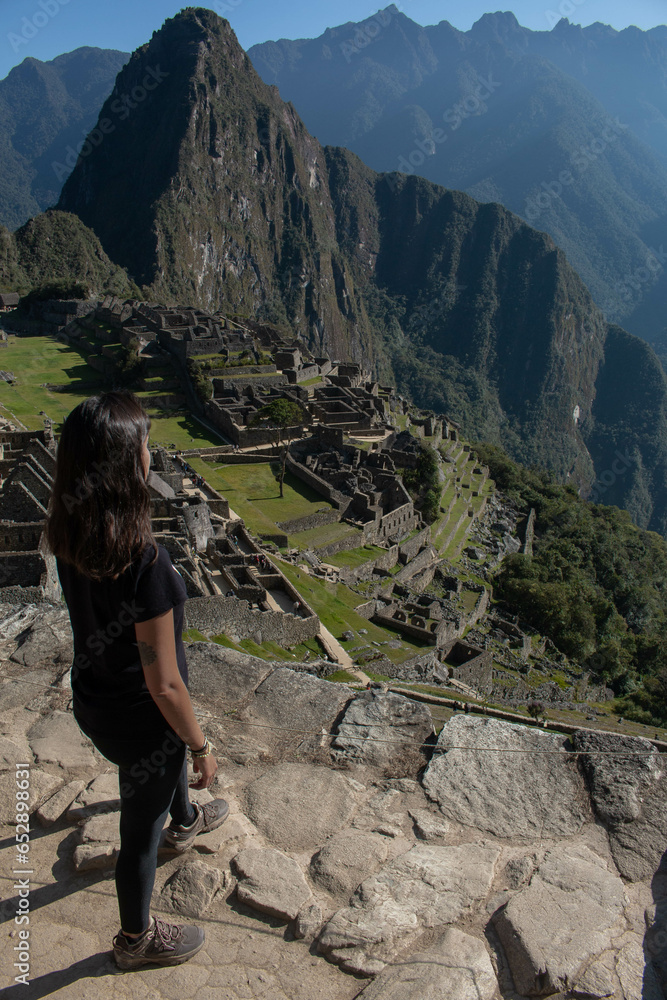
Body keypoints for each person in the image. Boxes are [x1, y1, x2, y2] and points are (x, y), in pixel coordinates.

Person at [45, 391, 229, 970]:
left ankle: (187, 820)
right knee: (137, 833)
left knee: (155, 770)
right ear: (130, 464)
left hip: (94, 703)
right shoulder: (148, 566)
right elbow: (165, 685)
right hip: (143, 721)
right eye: (146, 444)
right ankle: (135, 939)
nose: (152, 452)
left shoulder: (66, 536)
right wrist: (201, 746)